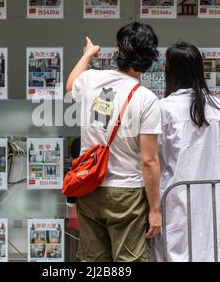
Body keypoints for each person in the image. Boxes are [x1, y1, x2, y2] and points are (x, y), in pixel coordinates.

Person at [66, 22, 162, 262]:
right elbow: (149, 161)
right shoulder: (146, 99)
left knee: (95, 262)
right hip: (127, 193)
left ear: (119, 51)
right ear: (149, 60)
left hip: (89, 187)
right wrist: (155, 210)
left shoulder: (91, 81)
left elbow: (70, 86)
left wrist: (87, 54)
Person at [152, 42, 220, 262]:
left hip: (173, 198)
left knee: (173, 253)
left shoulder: (164, 108)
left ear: (170, 71)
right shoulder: (218, 107)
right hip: (210, 200)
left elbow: (155, 159)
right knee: (208, 251)